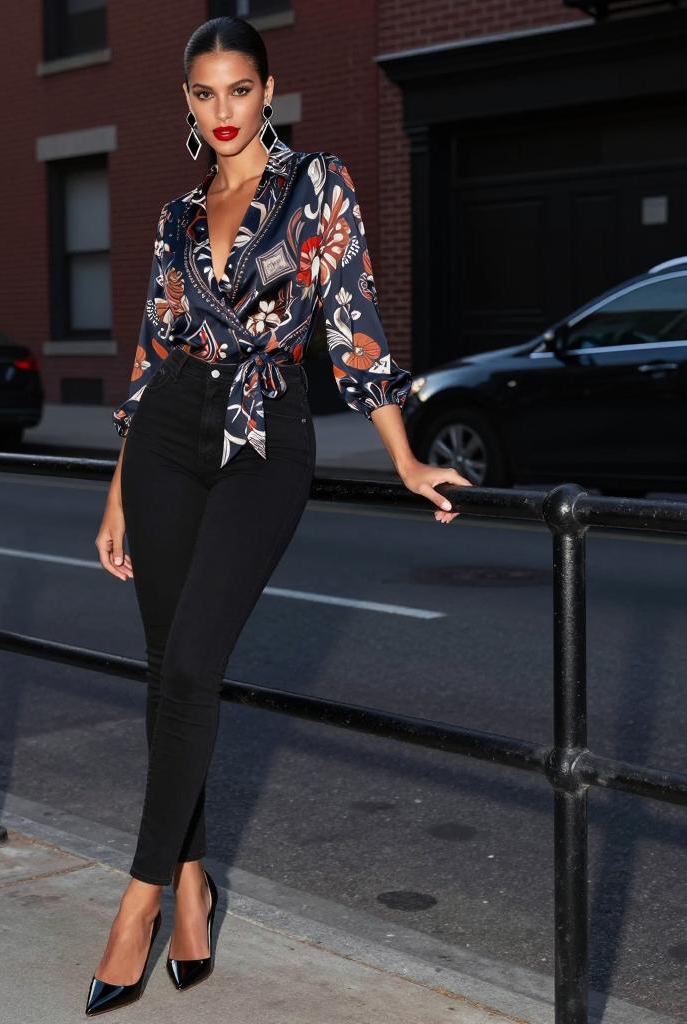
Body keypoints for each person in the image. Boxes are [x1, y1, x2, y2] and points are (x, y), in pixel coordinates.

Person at [87, 15, 471, 1016]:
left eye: (239, 91)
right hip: (169, 433)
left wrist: (402, 458)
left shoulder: (317, 186)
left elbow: (356, 325)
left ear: (270, 90)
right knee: (170, 670)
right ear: (187, 100)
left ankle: (133, 903)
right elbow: (149, 351)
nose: (223, 112)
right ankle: (189, 889)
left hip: (266, 438)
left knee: (190, 665)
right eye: (204, 94)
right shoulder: (177, 216)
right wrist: (117, 489)